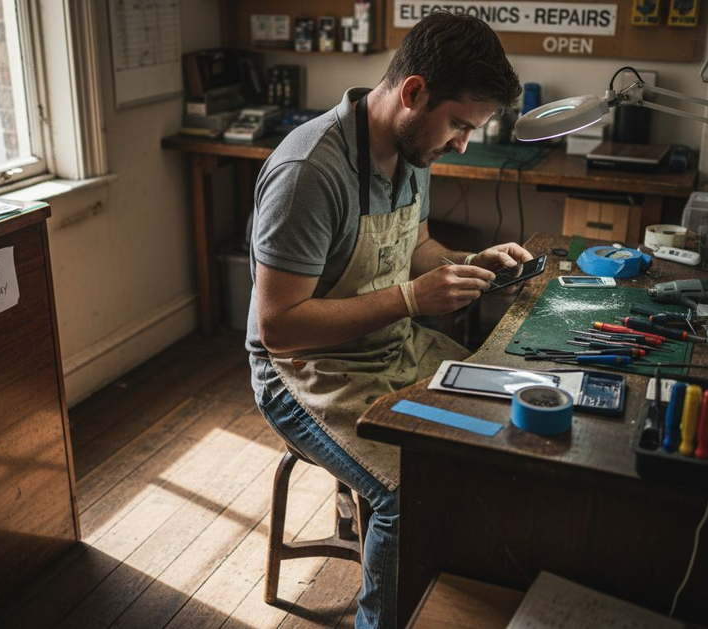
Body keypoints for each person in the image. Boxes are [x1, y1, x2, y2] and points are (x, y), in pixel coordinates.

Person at [246, 11, 527, 628]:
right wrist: (411, 299)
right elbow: (280, 328)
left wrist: (464, 264)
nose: (462, 144)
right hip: (305, 373)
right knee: (411, 489)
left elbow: (414, 250)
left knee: (500, 422)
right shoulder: (309, 174)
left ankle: (450, 587)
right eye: (459, 124)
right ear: (414, 92)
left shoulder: (411, 149)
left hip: (390, 346)